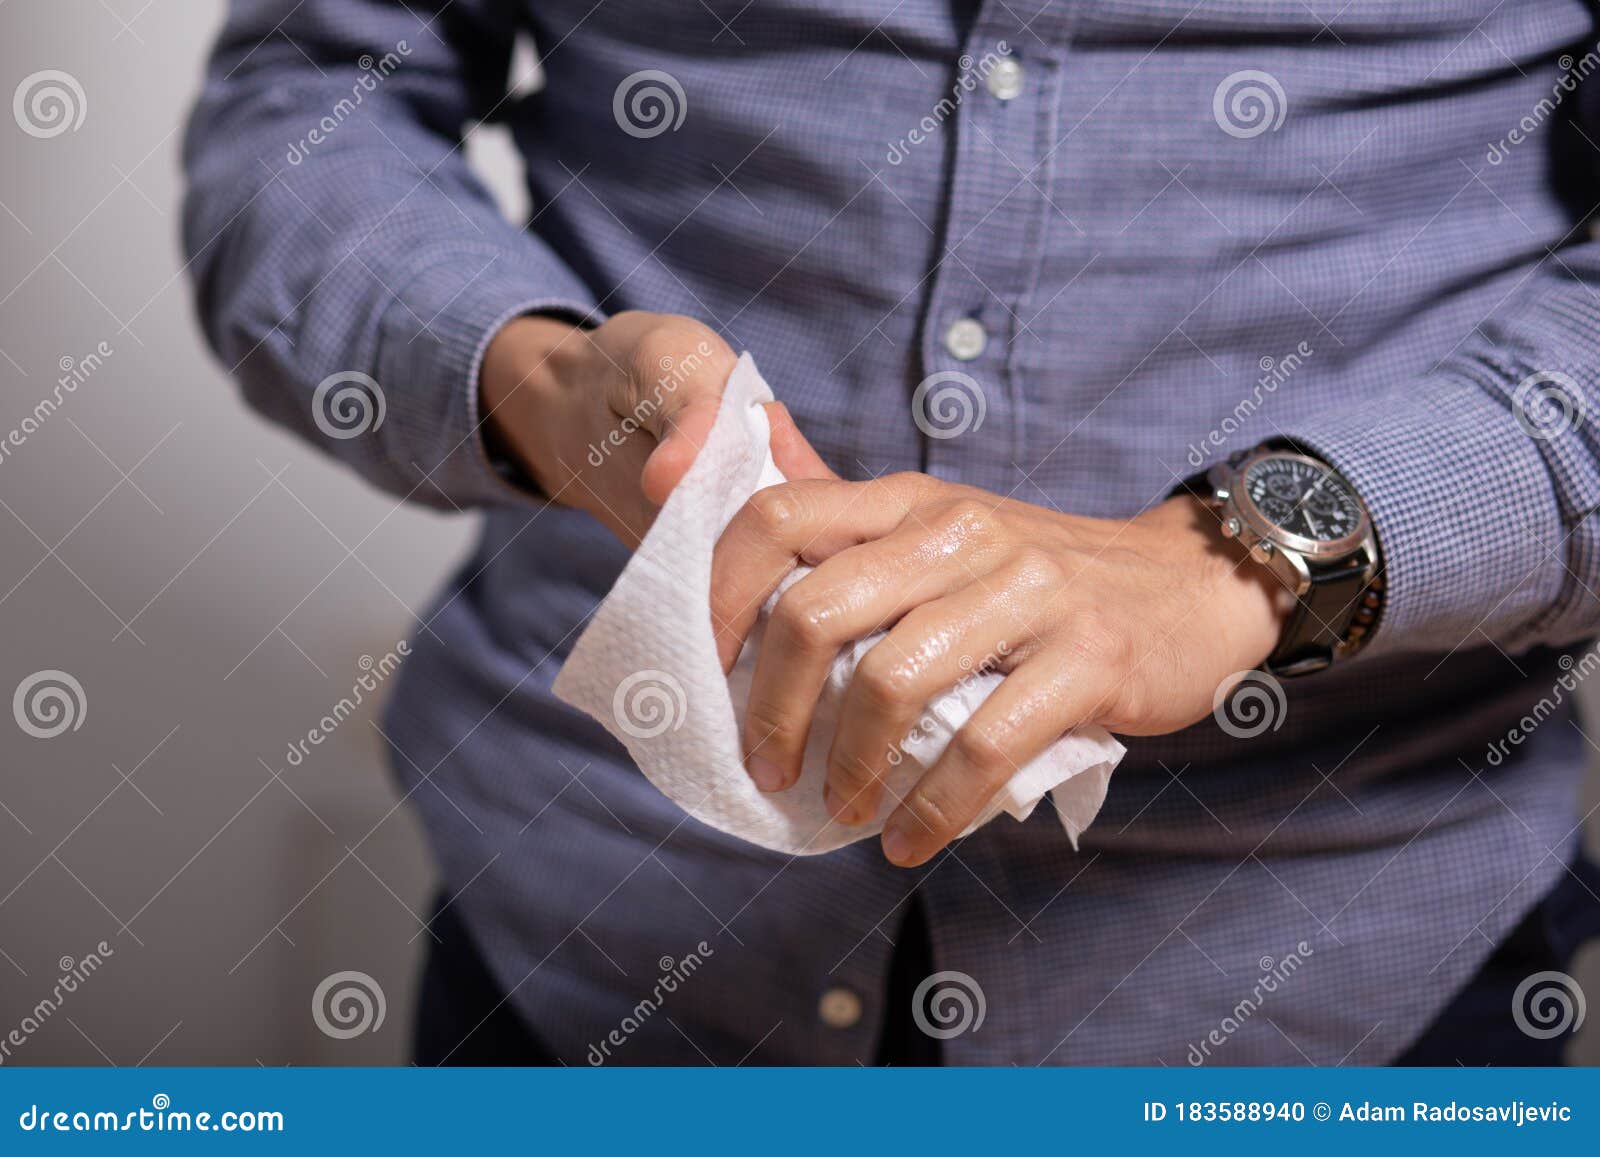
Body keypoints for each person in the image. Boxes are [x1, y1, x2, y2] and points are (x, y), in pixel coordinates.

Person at [184, 0, 1600, 1065]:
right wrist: (539, 383)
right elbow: (308, 98)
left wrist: (1254, 551)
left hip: (1339, 972)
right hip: (591, 948)